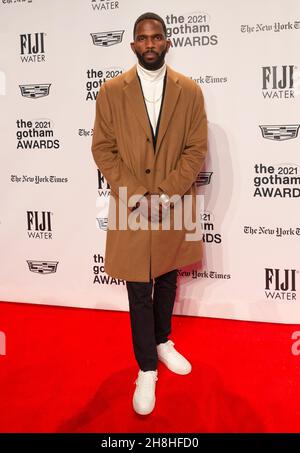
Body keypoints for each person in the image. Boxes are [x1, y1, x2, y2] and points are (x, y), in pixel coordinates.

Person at [91, 12, 207, 415]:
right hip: (131, 202)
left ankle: (162, 339)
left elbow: (196, 149)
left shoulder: (190, 91)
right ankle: (146, 367)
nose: (151, 43)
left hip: (175, 200)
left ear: (167, 42)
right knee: (139, 287)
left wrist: (167, 194)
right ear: (133, 45)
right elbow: (102, 149)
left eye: (157, 36)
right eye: (143, 38)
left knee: (169, 274)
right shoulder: (110, 92)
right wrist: (138, 196)